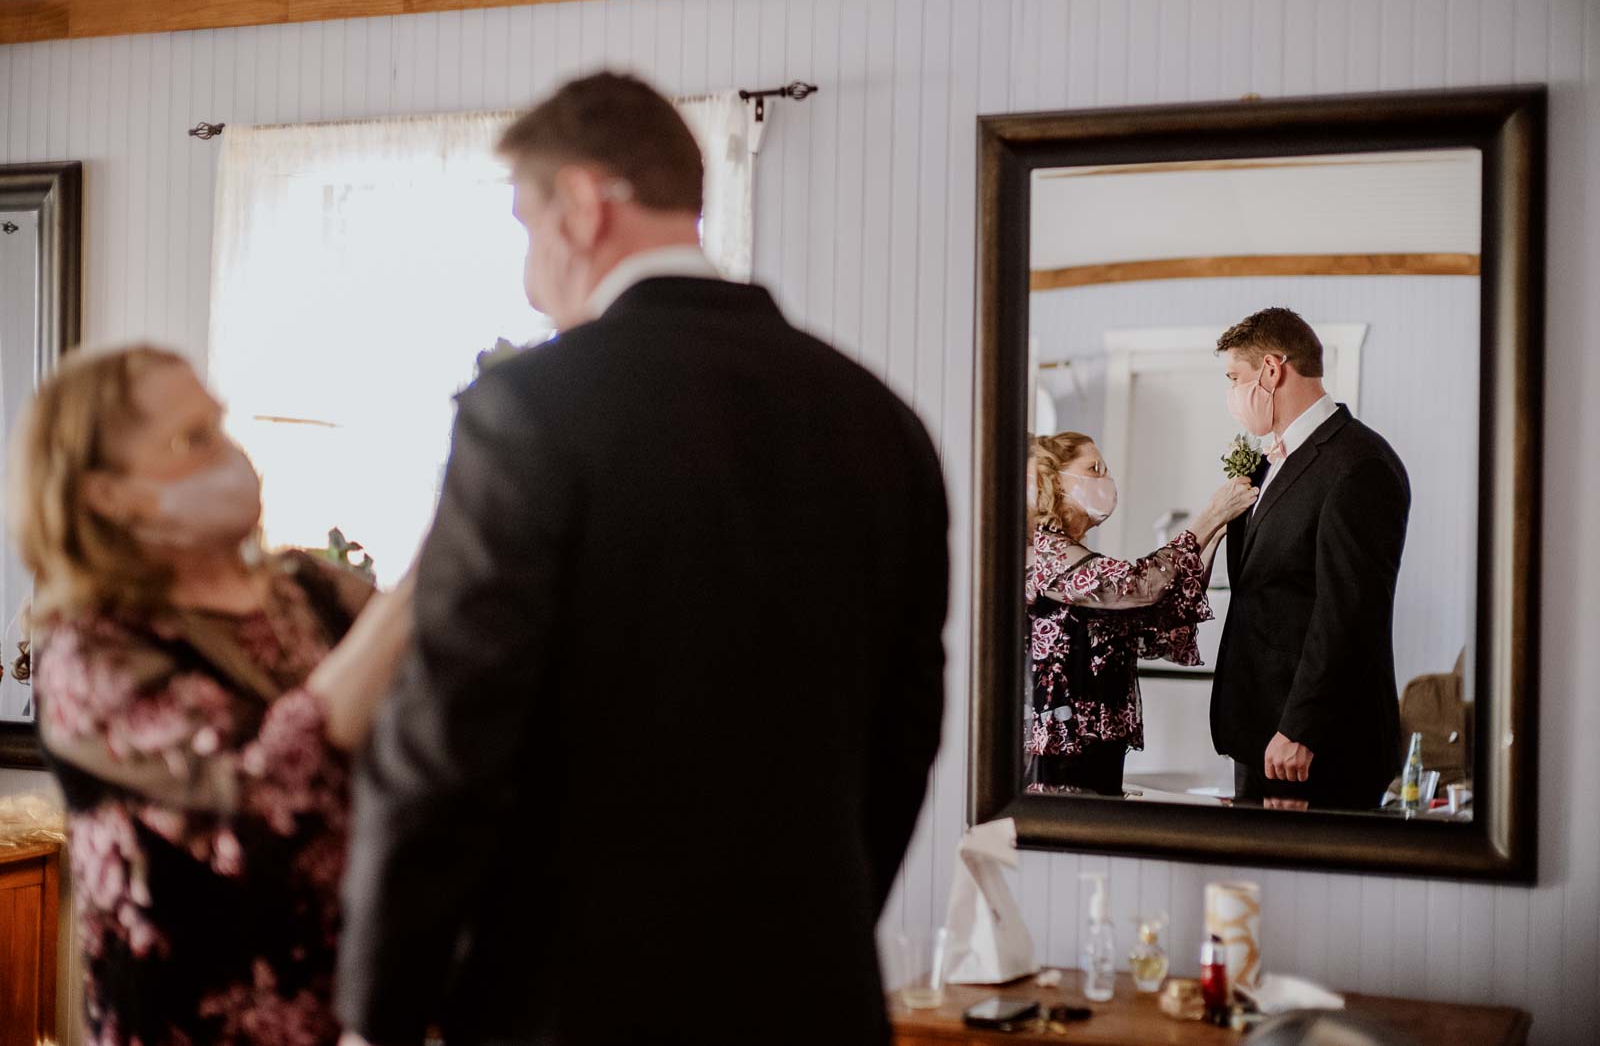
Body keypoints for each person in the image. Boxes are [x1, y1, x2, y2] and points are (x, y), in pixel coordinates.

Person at [335, 72, 949, 1046]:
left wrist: (378, 1011)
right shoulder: (880, 420)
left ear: (581, 204)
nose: (530, 276)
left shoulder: (530, 411)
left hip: (572, 1005)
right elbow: (903, 737)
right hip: (811, 1000)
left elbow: (449, 735)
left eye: (525, 225)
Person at [10, 345, 415, 1046]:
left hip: (359, 1006)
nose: (229, 454)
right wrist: (430, 584)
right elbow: (261, 796)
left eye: (219, 425)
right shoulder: (90, 652)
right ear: (107, 493)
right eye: (191, 439)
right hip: (191, 1022)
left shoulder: (313, 589)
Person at [1209, 307, 1411, 811]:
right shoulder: (1267, 463)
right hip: (1260, 730)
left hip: (1313, 746)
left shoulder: (1359, 465)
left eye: (1235, 377)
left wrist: (1301, 727)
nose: (1232, 393)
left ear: (1273, 370)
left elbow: (1348, 613)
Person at [1025, 432, 1256, 795]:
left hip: (1100, 745)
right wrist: (1207, 519)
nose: (1105, 479)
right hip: (1061, 746)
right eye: (1093, 468)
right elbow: (1138, 585)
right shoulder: (1044, 554)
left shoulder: (1072, 555)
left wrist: (1211, 541)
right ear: (1055, 481)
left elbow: (1156, 621)